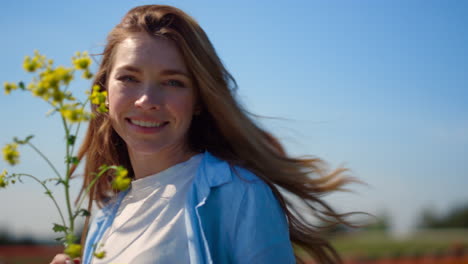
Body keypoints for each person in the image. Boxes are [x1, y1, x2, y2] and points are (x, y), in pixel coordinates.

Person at [51, 5, 356, 264]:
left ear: (199, 100)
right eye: (129, 78)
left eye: (173, 82)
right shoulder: (107, 209)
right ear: (103, 92)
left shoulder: (240, 193)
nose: (147, 100)